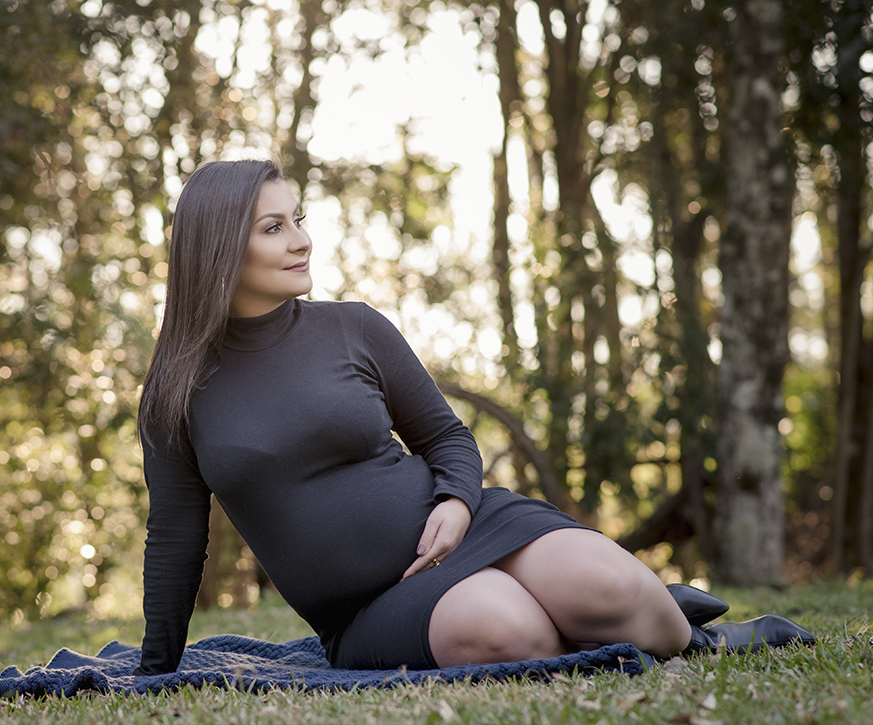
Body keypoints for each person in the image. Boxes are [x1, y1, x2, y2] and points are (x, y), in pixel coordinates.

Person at [133, 159, 814, 675]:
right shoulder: (177, 388)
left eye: (299, 219)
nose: (301, 240)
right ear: (221, 248)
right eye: (274, 228)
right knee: (510, 636)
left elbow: (447, 438)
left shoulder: (354, 329)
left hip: (476, 527)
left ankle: (678, 628)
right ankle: (585, 620)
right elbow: (174, 537)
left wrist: (457, 503)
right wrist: (155, 673)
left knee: (620, 594)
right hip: (370, 607)